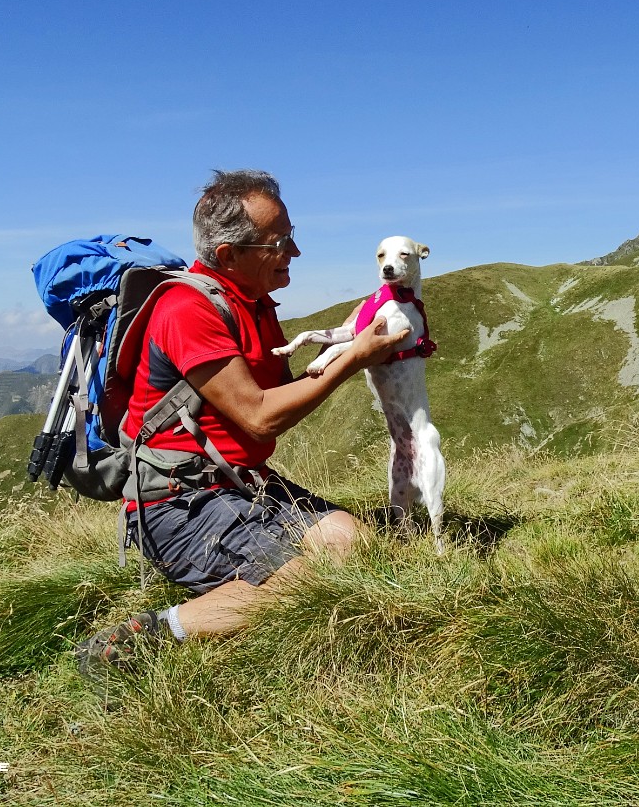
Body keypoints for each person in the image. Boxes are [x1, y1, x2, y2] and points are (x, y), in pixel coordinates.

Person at [74, 169, 408, 675]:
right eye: (280, 242)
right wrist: (353, 360)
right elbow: (259, 418)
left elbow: (278, 391)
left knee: (355, 544)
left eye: (292, 236)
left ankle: (229, 592)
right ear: (229, 254)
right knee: (317, 570)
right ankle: (148, 634)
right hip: (176, 502)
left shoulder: (253, 303)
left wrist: (352, 338)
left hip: (239, 482)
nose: (294, 252)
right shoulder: (186, 309)